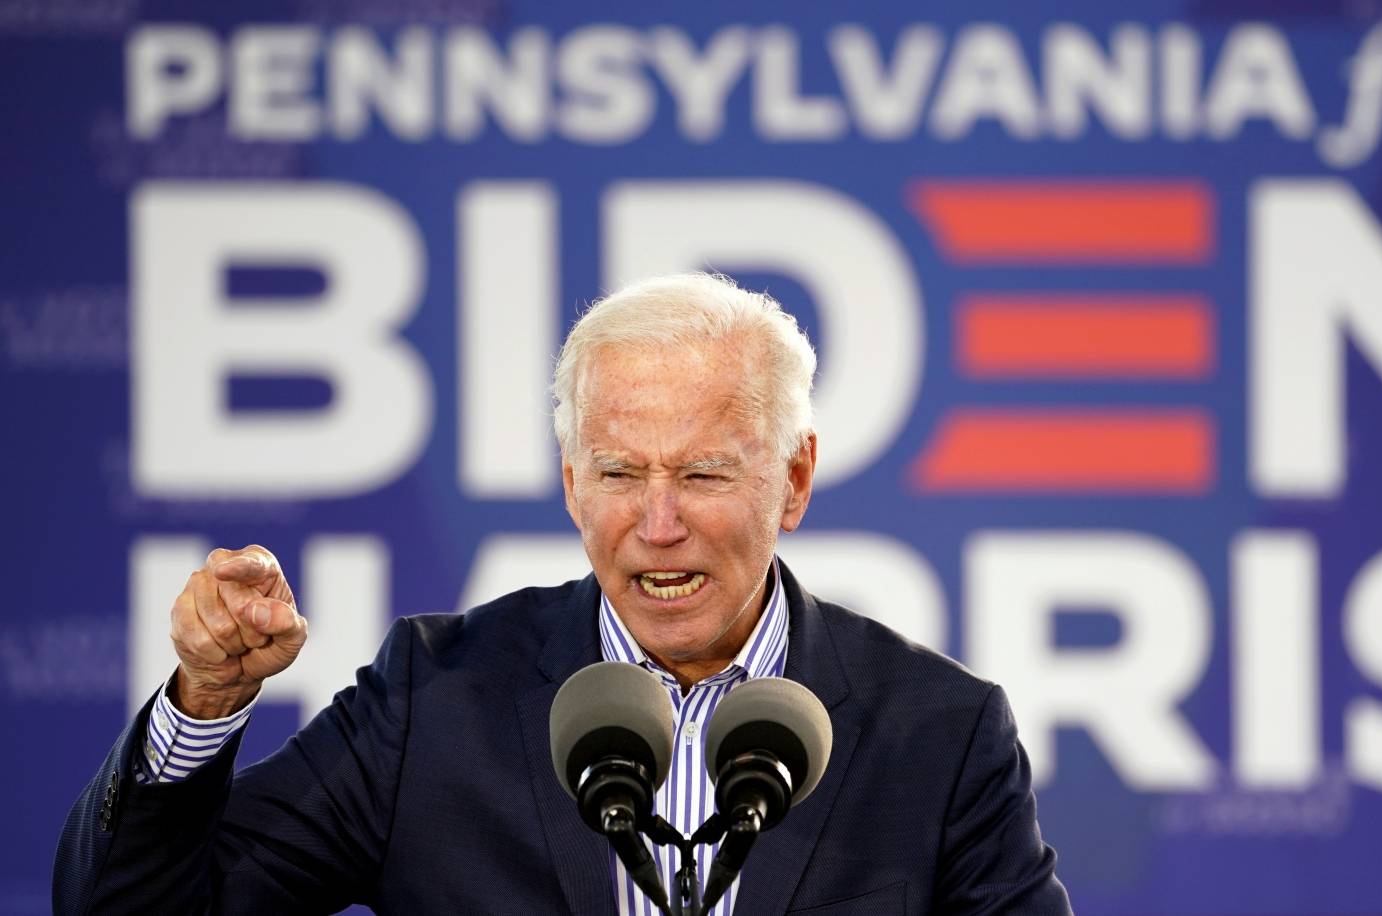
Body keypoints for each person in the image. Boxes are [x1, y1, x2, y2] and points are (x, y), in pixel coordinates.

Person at [55, 273, 1072, 914]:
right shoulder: (433, 699)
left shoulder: (936, 734)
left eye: (706, 474)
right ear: (569, 479)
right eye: (620, 473)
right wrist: (201, 708)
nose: (657, 522)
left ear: (793, 479)